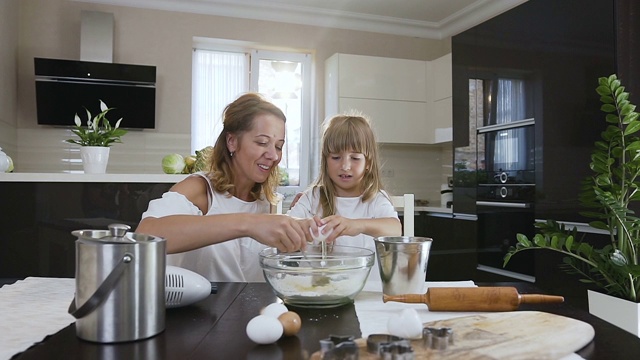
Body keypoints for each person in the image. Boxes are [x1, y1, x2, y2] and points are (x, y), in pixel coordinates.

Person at [136, 93, 314, 282]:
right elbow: (145, 236)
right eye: (262, 142)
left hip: (253, 311)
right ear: (232, 142)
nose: (273, 155)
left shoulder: (266, 200)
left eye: (279, 146)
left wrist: (294, 236)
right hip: (202, 310)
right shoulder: (200, 189)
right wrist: (249, 224)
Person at [287, 114, 402, 283]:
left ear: (368, 162)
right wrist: (300, 225)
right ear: (325, 160)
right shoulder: (313, 197)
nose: (345, 166)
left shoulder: (375, 199)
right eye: (335, 157)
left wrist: (357, 225)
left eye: (355, 158)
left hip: (366, 291)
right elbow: (285, 227)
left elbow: (395, 229)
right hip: (315, 290)